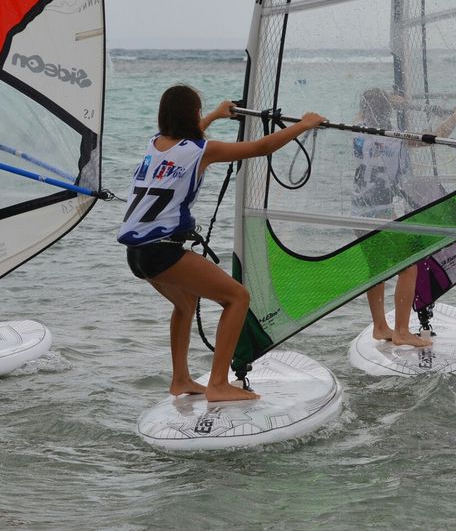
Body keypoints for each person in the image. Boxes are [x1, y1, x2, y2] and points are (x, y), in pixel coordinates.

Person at [118, 84, 325, 402]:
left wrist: (215, 114)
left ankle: (180, 380)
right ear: (193, 114)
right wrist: (303, 125)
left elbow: (189, 141)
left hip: (137, 253)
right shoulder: (204, 151)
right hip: (162, 250)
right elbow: (260, 149)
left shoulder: (156, 145)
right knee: (237, 298)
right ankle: (218, 384)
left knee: (185, 305)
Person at [352, 88, 456, 348]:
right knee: (409, 267)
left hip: (358, 213)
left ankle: (380, 327)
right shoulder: (396, 138)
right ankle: (402, 331)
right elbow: (437, 136)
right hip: (378, 215)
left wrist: (390, 102)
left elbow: (364, 110)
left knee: (377, 270)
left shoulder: (358, 132)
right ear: (388, 113)